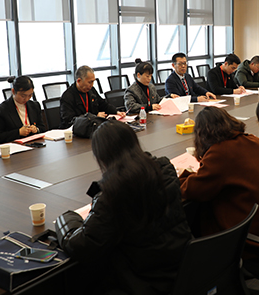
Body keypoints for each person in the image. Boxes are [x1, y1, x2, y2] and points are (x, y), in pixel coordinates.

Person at [55, 120, 191, 295]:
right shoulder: (165, 169)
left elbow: (81, 246)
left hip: (143, 283)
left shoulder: (113, 194)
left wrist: (66, 218)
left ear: (102, 156)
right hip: (182, 270)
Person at [179, 107, 259, 259]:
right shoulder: (253, 141)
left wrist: (181, 175)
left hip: (249, 240)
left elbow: (191, 190)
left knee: (194, 214)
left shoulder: (220, 153)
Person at [59, 65, 124, 128]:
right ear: (79, 81)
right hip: (75, 130)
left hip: (92, 127)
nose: (92, 85)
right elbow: (70, 120)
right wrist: (94, 117)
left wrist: (116, 112)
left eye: (93, 82)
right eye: (90, 82)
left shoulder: (91, 91)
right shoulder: (67, 96)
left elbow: (103, 104)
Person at [0, 76, 47, 144]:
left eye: (30, 95)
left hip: (34, 144)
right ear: (13, 91)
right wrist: (18, 132)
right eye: (23, 96)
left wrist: (36, 129)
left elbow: (42, 127)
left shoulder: (34, 106)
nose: (26, 99)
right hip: (14, 147)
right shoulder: (1, 110)